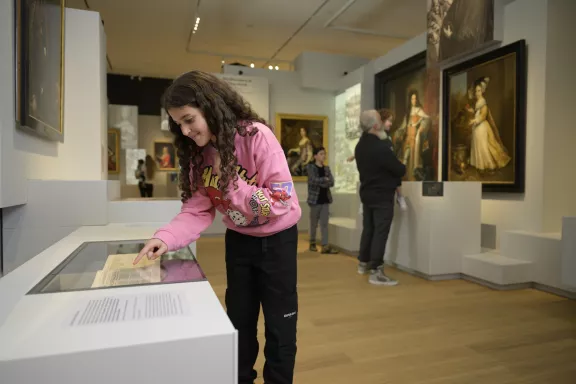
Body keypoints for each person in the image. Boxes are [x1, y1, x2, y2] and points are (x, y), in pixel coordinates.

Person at [132, 71, 301, 384]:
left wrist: (233, 185)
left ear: (210, 107)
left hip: (277, 243)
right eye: (178, 124)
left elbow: (280, 200)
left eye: (189, 120)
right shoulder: (200, 153)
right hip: (239, 243)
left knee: (280, 328)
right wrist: (165, 239)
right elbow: (197, 210)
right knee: (239, 324)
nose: (184, 131)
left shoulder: (256, 136)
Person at [354, 109, 406, 286]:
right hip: (382, 195)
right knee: (380, 231)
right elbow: (400, 169)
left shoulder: (360, 146)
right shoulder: (380, 147)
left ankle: (364, 262)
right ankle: (376, 271)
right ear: (376, 125)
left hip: (367, 193)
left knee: (369, 228)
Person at [346, 109, 407, 210]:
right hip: (379, 195)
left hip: (375, 191)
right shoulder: (376, 143)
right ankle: (399, 196)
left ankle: (400, 196)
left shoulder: (381, 140)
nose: (390, 123)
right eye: (388, 120)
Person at [306, 147, 338, 254]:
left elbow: (332, 182)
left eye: (324, 154)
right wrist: (325, 180)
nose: (323, 156)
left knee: (324, 223)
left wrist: (323, 181)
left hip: (325, 200)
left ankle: (325, 246)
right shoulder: (311, 167)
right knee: (314, 223)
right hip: (315, 200)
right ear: (315, 156)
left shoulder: (327, 169)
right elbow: (313, 181)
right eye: (321, 154)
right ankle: (312, 243)